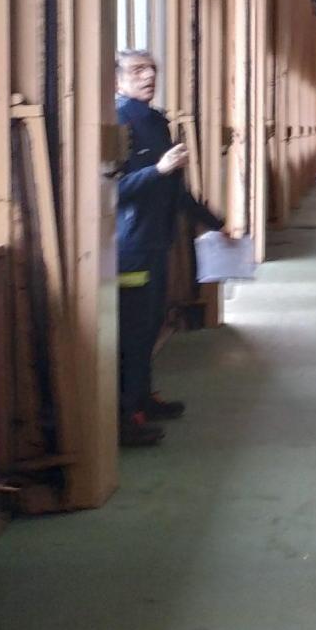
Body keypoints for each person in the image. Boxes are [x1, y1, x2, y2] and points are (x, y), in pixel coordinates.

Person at [115, 50, 224, 447]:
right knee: (131, 332)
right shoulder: (119, 123)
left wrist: (217, 223)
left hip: (158, 243)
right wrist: (156, 169)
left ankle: (143, 398)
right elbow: (112, 192)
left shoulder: (157, 123)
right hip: (132, 246)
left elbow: (176, 193)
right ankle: (126, 416)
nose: (147, 77)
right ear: (118, 81)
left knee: (148, 328)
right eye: (137, 71)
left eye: (151, 70)